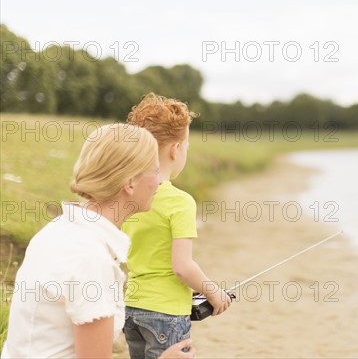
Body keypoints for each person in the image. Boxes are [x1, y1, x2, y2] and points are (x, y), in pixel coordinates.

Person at [1, 123, 195, 359]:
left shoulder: (57, 230)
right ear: (130, 182)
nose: (159, 182)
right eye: (155, 171)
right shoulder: (90, 259)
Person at [122, 93, 231, 359]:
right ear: (176, 149)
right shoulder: (180, 202)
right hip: (166, 314)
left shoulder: (127, 194)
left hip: (131, 309)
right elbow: (182, 268)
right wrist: (212, 291)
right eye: (187, 146)